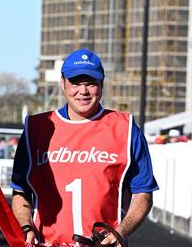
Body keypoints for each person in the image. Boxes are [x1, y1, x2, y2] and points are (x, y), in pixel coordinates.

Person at [10, 48, 158, 246]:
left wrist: (121, 231)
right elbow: (21, 191)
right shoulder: (36, 128)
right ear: (63, 83)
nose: (83, 91)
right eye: (75, 83)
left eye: (91, 83)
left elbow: (143, 192)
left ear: (102, 85)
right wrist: (25, 226)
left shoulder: (126, 129)